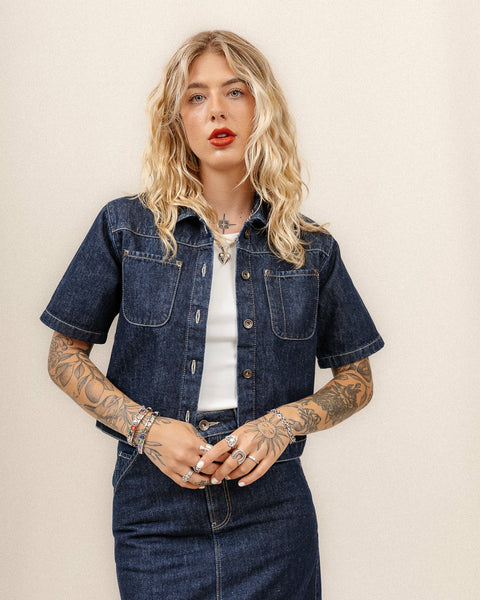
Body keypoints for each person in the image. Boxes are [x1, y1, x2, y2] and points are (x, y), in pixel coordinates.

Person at [41, 30, 384, 600]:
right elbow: (62, 355)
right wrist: (147, 430)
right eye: (196, 96)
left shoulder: (309, 248)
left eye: (235, 91)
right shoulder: (126, 228)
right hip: (155, 507)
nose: (216, 111)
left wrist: (279, 426)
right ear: (177, 119)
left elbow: (358, 379)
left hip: (273, 510)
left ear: (261, 108)